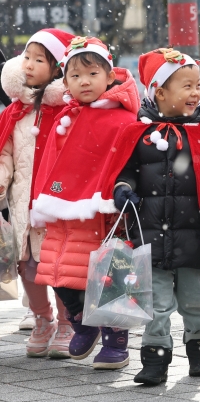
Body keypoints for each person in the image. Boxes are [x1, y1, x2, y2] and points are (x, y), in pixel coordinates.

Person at [97, 48, 200, 385]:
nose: (195, 92)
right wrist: (122, 188)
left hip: (195, 239)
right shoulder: (138, 134)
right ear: (160, 92)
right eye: (186, 86)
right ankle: (155, 360)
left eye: (197, 85)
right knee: (155, 304)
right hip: (149, 236)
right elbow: (123, 170)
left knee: (196, 301)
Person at [31, 36, 140, 369]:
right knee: (59, 273)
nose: (84, 81)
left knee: (109, 274)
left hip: (104, 214)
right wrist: (40, 201)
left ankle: (115, 338)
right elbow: (49, 163)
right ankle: (81, 322)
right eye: (75, 76)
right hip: (63, 214)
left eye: (92, 73)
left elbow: (129, 161)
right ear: (65, 82)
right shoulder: (67, 116)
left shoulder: (122, 118)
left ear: (110, 76)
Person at [0, 29, 75, 357]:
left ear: (57, 67)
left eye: (39, 59)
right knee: (27, 266)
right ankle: (43, 318)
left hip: (56, 203)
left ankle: (68, 322)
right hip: (22, 204)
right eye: (26, 57)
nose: (28, 64)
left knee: (58, 267)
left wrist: (61, 190)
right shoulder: (15, 111)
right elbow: (6, 153)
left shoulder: (68, 111)